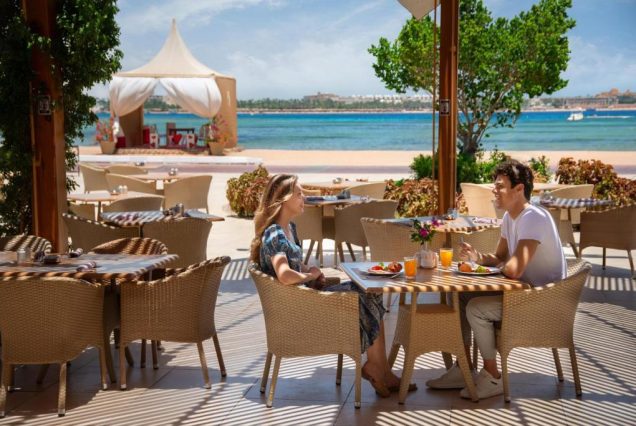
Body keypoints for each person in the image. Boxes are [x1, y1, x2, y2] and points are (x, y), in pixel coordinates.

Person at [250, 174, 415, 397]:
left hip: (304, 299)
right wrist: (309, 276)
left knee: (370, 291)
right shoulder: (275, 233)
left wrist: (309, 271)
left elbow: (293, 264)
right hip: (300, 309)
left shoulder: (289, 228)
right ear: (283, 199)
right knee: (366, 293)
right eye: (298, 194)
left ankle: (381, 369)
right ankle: (378, 368)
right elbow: (285, 275)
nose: (304, 198)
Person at [426, 160, 566, 399]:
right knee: (458, 294)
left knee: (477, 309)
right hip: (524, 293)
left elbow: (514, 269)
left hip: (543, 301)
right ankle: (463, 368)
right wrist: (478, 257)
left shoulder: (533, 217)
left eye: (500, 186)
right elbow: (500, 258)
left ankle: (492, 376)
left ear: (519, 189)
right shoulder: (511, 217)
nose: (494, 190)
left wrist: (500, 265)